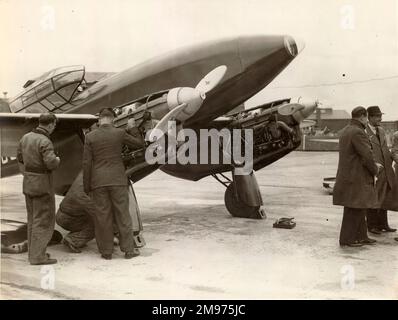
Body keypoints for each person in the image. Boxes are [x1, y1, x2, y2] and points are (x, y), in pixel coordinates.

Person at [82, 107, 143, 260]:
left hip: (98, 181)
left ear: (99, 119)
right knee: (123, 215)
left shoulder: (90, 137)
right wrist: (133, 128)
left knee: (103, 217)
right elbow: (139, 144)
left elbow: (86, 163)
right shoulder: (120, 133)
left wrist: (86, 186)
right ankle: (129, 250)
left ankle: (106, 252)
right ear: (113, 119)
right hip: (117, 180)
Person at [17, 113, 60, 265]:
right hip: (42, 184)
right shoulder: (45, 141)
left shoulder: (26, 137)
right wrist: (57, 160)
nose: (54, 128)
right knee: (43, 220)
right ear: (50, 124)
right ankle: (37, 256)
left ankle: (33, 253)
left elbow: (20, 158)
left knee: (32, 219)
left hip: (28, 183)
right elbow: (51, 164)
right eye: (54, 125)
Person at [333, 106, 379, 247]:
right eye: (366, 118)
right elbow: (367, 156)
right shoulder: (358, 132)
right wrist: (375, 169)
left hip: (350, 176)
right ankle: (347, 239)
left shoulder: (346, 130)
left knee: (358, 206)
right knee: (354, 208)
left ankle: (361, 236)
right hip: (357, 177)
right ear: (362, 117)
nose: (366, 121)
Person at [365, 106, 397, 234]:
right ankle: (372, 225)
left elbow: (386, 149)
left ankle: (383, 224)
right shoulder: (365, 131)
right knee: (374, 197)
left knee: (385, 197)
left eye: (380, 116)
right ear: (370, 117)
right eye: (377, 116)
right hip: (375, 169)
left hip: (386, 169)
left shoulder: (382, 131)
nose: (380, 118)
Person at [56, 171, 95, 253]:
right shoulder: (94, 176)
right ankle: (74, 239)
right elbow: (81, 197)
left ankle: (78, 236)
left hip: (63, 215)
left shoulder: (85, 172)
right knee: (100, 224)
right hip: (69, 218)